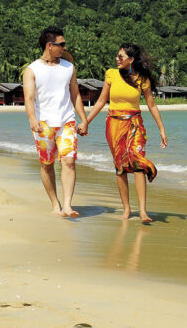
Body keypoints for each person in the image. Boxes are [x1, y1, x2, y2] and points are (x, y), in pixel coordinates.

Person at [85, 43, 168, 222]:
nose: (117, 59)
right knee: (121, 167)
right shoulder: (111, 74)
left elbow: (152, 105)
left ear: (131, 59)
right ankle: (127, 209)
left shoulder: (142, 79)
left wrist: (161, 129)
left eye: (121, 56)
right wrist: (85, 122)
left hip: (135, 124)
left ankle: (143, 211)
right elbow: (100, 102)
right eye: (117, 55)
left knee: (137, 163)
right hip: (114, 125)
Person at [23, 26, 89, 217]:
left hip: (67, 120)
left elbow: (75, 95)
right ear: (50, 45)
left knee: (68, 161)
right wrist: (32, 119)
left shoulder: (69, 67)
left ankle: (67, 205)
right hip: (43, 124)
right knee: (47, 164)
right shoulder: (31, 70)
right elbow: (28, 99)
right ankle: (55, 203)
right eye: (62, 44)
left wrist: (83, 119)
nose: (65, 47)